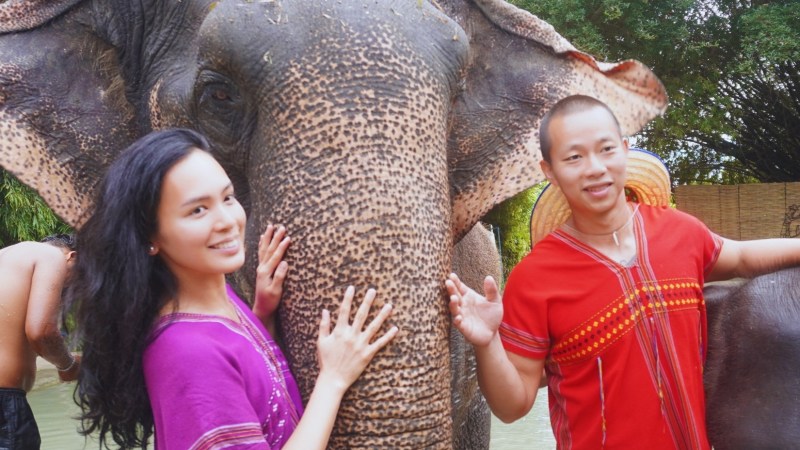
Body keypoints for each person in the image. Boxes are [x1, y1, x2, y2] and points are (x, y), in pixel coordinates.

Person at [445, 94, 800, 449]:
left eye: (606, 149)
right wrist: (488, 342)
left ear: (625, 151)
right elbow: (513, 405)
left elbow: (740, 257)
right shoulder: (534, 279)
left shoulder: (680, 233)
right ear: (549, 171)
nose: (595, 167)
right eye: (574, 157)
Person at [66, 129, 399, 449]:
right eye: (198, 210)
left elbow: (247, 386)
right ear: (150, 237)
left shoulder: (221, 302)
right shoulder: (186, 354)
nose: (227, 220)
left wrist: (262, 314)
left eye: (227, 198)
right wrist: (333, 380)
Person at [0, 233, 80, 449]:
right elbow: (41, 332)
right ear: (72, 257)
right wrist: (68, 365)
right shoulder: (51, 256)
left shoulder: (7, 258)